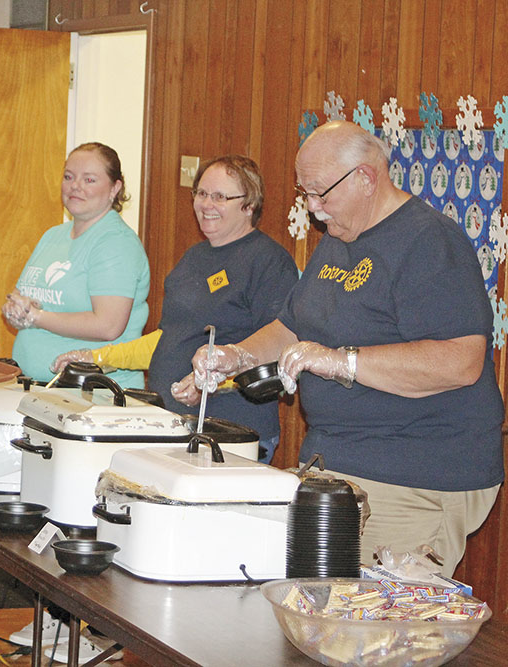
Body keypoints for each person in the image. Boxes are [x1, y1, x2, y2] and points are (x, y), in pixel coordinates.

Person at [191, 120, 504, 576]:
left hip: (415, 475)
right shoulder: (338, 238)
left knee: (379, 631)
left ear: (366, 177)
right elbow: (293, 326)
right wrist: (237, 355)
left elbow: (460, 361)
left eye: (321, 193)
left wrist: (342, 362)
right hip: (335, 466)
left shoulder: (430, 242)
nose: (314, 210)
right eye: (305, 194)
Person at [52, 155, 298, 463]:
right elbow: (168, 340)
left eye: (220, 196)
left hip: (231, 435)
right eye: (202, 193)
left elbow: (277, 356)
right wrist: (98, 358)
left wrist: (212, 385)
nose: (206, 204)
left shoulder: (269, 263)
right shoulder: (193, 258)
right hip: (173, 425)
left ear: (249, 204)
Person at [2, 142, 150, 388]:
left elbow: (108, 325)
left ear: (115, 188)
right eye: (69, 177)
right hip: (41, 387)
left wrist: (36, 317)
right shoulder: (53, 236)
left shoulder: (116, 243)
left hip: (95, 393)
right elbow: (23, 298)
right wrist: (14, 311)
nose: (75, 186)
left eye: (89, 180)